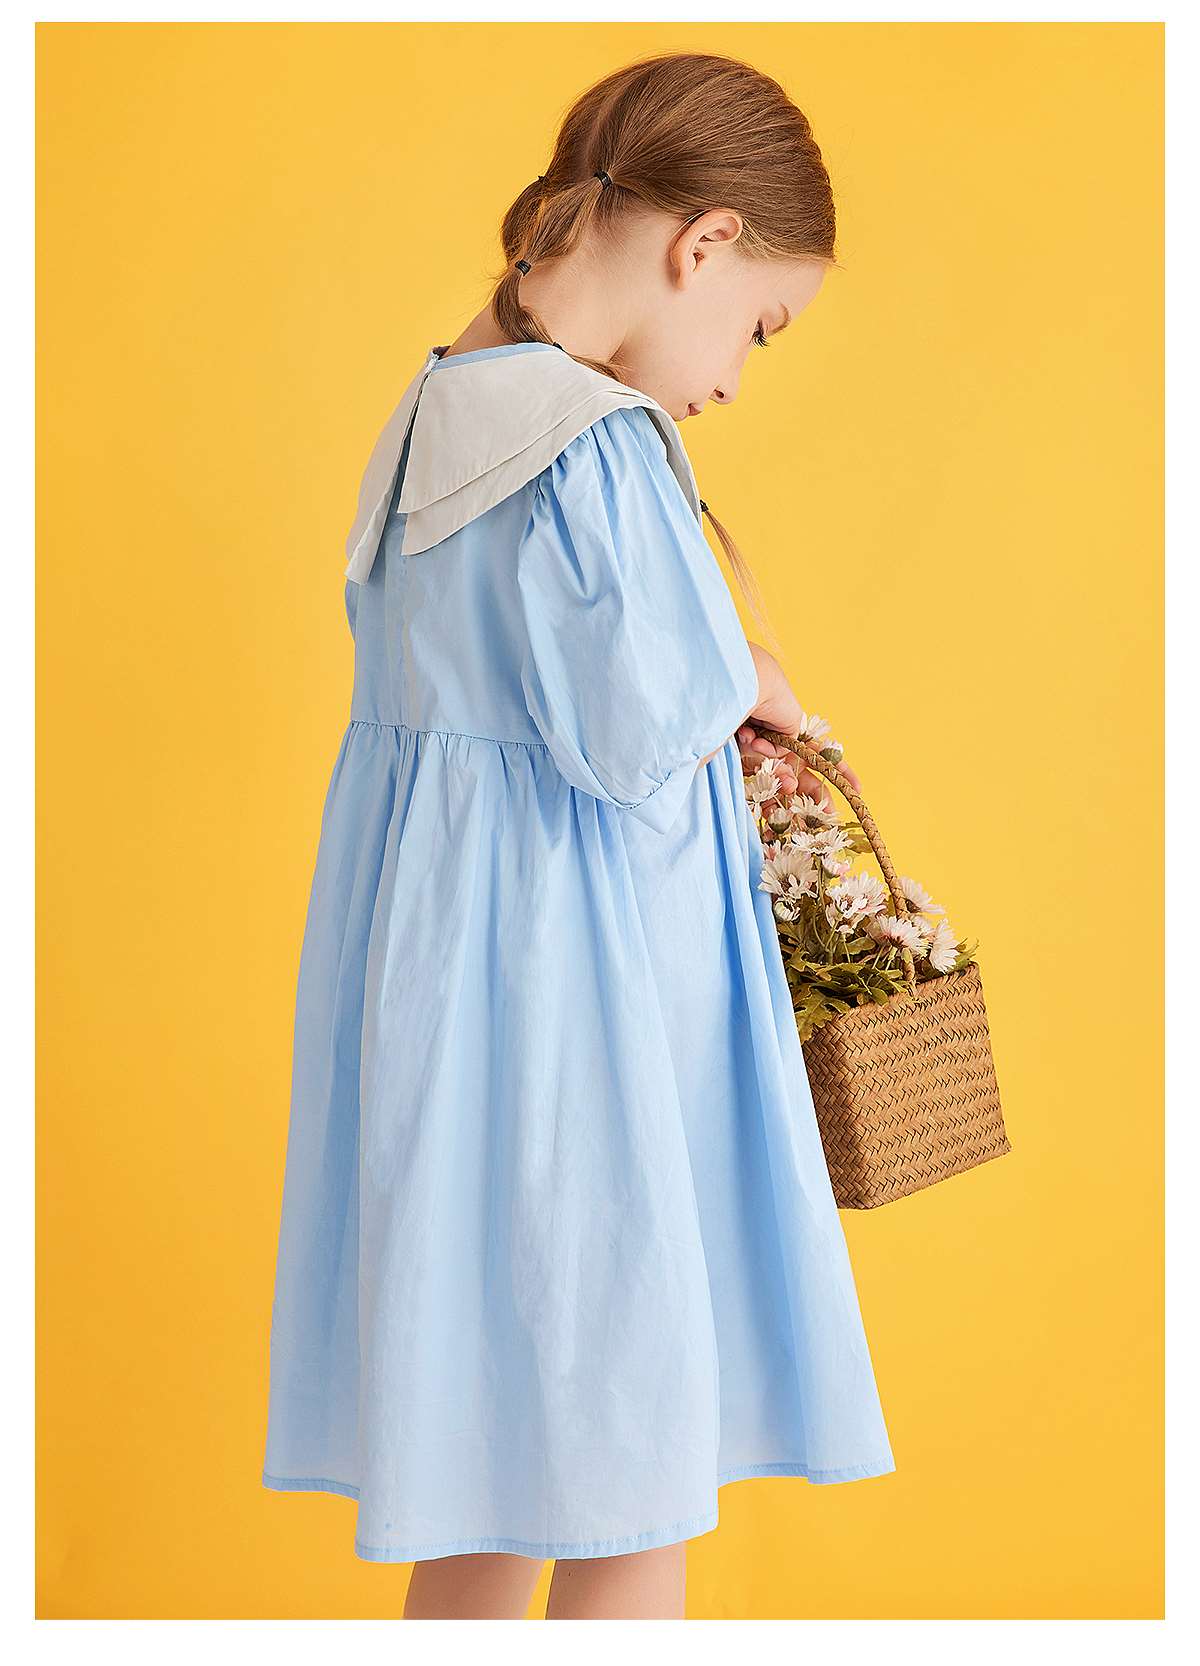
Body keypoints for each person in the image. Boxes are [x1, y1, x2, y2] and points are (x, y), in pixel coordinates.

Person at [261, 49, 895, 1621]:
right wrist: (752, 680)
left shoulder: (437, 408)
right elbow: (636, 729)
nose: (734, 378)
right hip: (586, 1021)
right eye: (758, 326)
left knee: (490, 1468)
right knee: (630, 1465)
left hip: (449, 1013)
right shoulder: (591, 444)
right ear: (705, 245)